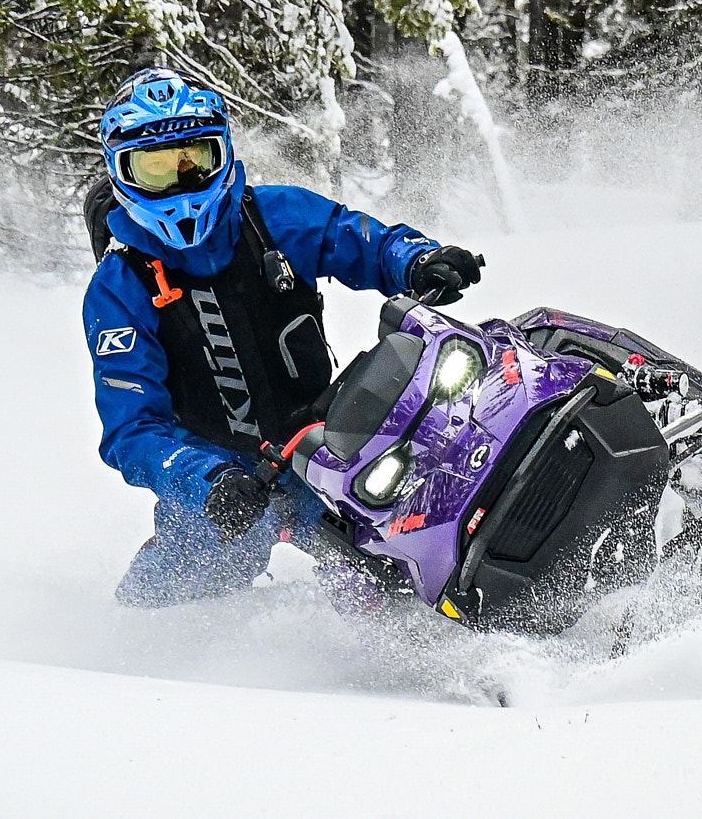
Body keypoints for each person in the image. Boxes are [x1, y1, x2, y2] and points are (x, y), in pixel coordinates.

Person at [82, 67, 484, 607]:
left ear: (221, 152)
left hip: (328, 438)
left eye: (193, 161)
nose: (180, 183)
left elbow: (357, 239)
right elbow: (132, 428)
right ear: (121, 174)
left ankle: (454, 634)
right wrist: (207, 479)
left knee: (404, 541)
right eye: (156, 170)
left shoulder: (275, 215)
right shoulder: (118, 289)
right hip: (221, 481)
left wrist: (418, 260)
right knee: (179, 596)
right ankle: (120, 660)